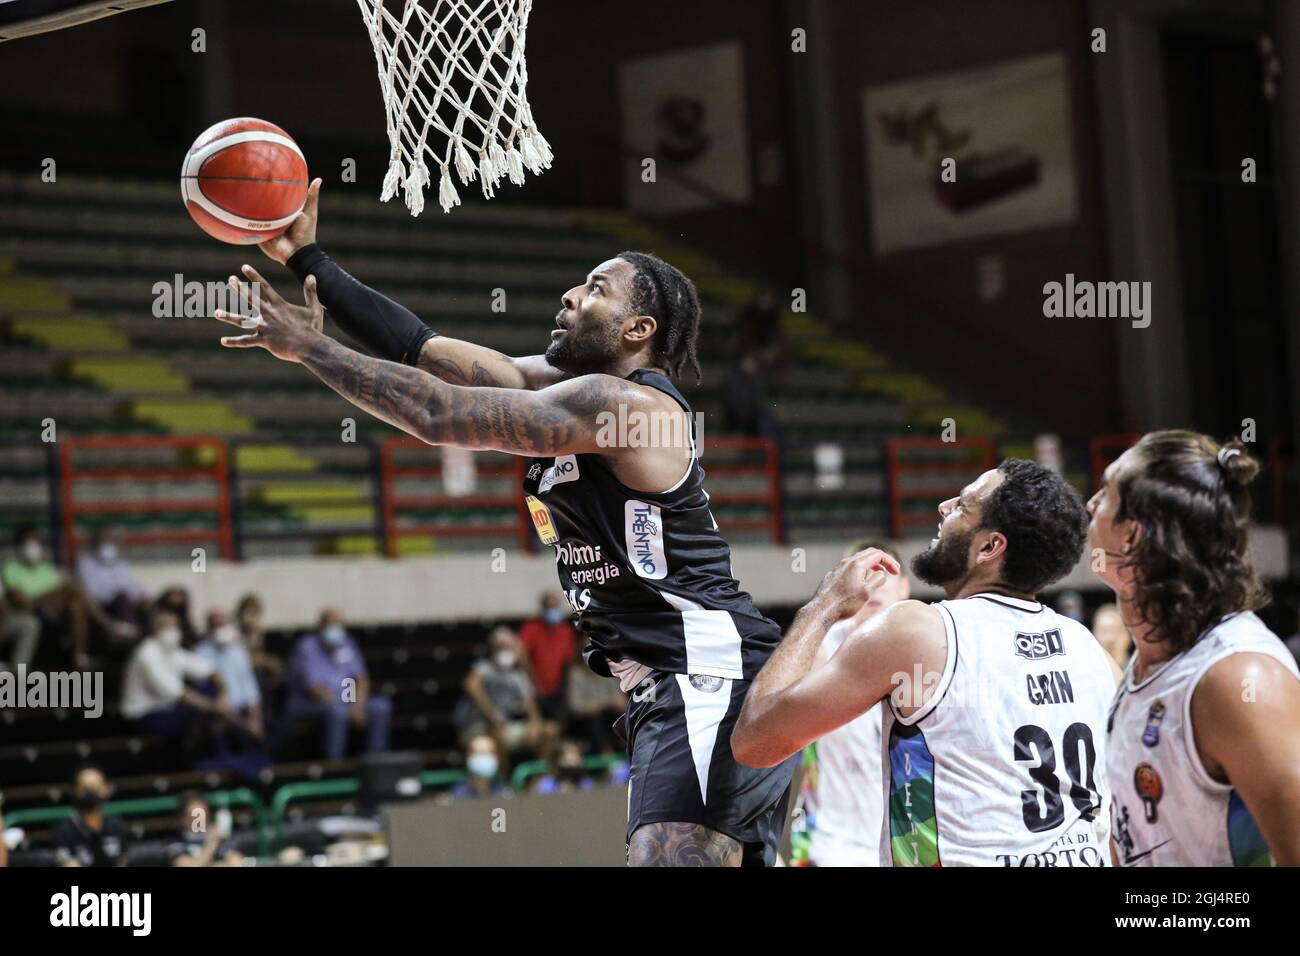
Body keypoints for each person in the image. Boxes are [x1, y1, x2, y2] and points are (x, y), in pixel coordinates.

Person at [213, 180, 796, 867]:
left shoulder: (624, 408)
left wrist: (310, 348)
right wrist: (311, 259)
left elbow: (437, 415)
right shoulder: (566, 391)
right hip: (677, 682)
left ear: (638, 330)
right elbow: (422, 351)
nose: (570, 297)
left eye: (596, 289)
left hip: (704, 674)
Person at [734, 459, 1118, 867]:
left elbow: (756, 742)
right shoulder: (1091, 651)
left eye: (963, 506)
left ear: (990, 547)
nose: (944, 506)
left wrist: (823, 605)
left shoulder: (918, 630)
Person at [1091, 432, 1300, 866]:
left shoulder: (1239, 677)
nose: (1090, 505)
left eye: (1105, 493)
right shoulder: (1147, 662)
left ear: (1131, 536)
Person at [791, 538, 909, 868]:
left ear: (904, 587)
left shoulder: (927, 645)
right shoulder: (826, 642)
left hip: (907, 843)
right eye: (865, 576)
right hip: (833, 845)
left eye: (884, 574)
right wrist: (838, 610)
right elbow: (791, 695)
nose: (875, 585)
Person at [3, 526, 128, 666]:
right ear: (18, 546)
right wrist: (49, 596)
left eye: (36, 542)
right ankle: (107, 625)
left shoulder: (48, 570)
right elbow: (21, 601)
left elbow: (58, 598)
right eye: (28, 543)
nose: (33, 548)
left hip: (53, 611)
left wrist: (55, 596)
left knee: (76, 607)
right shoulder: (11, 568)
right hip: (33, 610)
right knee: (72, 588)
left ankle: (78, 657)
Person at [282, 608, 391, 760]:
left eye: (338, 624)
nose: (335, 629)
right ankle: (334, 764)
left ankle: (376, 760)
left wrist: (356, 705)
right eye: (331, 624)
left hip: (346, 700)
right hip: (310, 703)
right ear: (320, 625)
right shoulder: (307, 647)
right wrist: (345, 706)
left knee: (380, 707)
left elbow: (359, 678)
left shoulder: (347, 643)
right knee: (338, 713)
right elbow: (313, 687)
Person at [120, 608, 235, 748]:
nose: (173, 631)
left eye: (175, 626)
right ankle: (204, 761)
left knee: (210, 691)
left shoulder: (174, 652)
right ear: (154, 629)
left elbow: (211, 671)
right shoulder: (146, 654)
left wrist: (224, 695)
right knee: (201, 715)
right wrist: (214, 707)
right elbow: (178, 693)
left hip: (168, 710)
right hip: (143, 716)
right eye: (167, 626)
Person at [456, 627, 556, 761]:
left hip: (508, 725)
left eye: (508, 646)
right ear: (492, 649)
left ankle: (539, 777)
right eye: (500, 647)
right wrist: (492, 715)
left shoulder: (517, 674)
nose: (505, 651)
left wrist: (535, 723)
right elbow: (471, 685)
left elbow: (529, 703)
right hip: (480, 725)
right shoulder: (484, 667)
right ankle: (504, 779)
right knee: (497, 734)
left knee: (549, 731)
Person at [195, 609, 265, 746]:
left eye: (225, 625)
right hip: (217, 715)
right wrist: (244, 724)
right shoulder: (200, 654)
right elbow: (211, 697)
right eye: (218, 626)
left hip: (243, 711)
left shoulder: (238, 651)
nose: (222, 630)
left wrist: (256, 719)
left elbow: (250, 690)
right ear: (209, 628)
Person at [75, 527, 150, 639]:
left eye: (111, 541)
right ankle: (131, 636)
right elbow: (94, 591)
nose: (108, 545)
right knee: (122, 597)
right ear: (96, 543)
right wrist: (120, 592)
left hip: (125, 601)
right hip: (102, 605)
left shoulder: (121, 563)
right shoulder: (86, 563)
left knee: (147, 604)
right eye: (104, 541)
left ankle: (148, 640)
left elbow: (132, 585)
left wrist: (144, 597)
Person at [50, 765, 131, 867]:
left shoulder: (117, 826)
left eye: (95, 789)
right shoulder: (63, 831)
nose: (91, 795)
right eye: (86, 790)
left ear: (105, 790)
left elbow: (122, 862)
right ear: (76, 791)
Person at [518, 592, 577, 718]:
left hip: (558, 689)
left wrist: (565, 689)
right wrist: (534, 684)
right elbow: (522, 657)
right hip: (534, 689)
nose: (552, 611)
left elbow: (569, 661)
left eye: (555, 606)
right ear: (543, 609)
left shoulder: (566, 631)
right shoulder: (531, 628)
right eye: (549, 607)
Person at [168, 792, 245, 867]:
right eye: (195, 816)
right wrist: (211, 844)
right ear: (182, 819)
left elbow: (238, 863)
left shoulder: (221, 840)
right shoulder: (176, 843)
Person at [446, 733, 508, 800]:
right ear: (468, 758)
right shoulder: (458, 795)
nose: (485, 758)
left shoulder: (503, 793)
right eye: (480, 753)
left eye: (489, 753)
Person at [0, 580, 41, 672]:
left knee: (29, 623)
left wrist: (3, 625)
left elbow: (2, 603)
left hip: (3, 620)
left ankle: (18, 670)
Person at [1090, 603, 1130, 682]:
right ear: (1093, 634)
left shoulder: (1140, 674)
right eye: (1104, 631)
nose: (1110, 638)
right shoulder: (1086, 673)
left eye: (1117, 631)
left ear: (1129, 635)